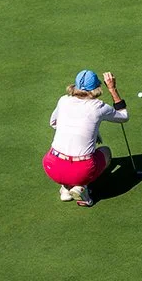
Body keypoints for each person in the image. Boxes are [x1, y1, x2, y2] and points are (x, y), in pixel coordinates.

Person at [43, 70, 129, 207]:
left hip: (51, 166)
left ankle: (65, 189)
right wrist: (112, 89)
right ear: (97, 88)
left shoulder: (63, 100)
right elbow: (124, 116)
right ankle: (82, 188)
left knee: (64, 160)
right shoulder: (99, 106)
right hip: (81, 171)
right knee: (106, 152)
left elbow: (53, 123)